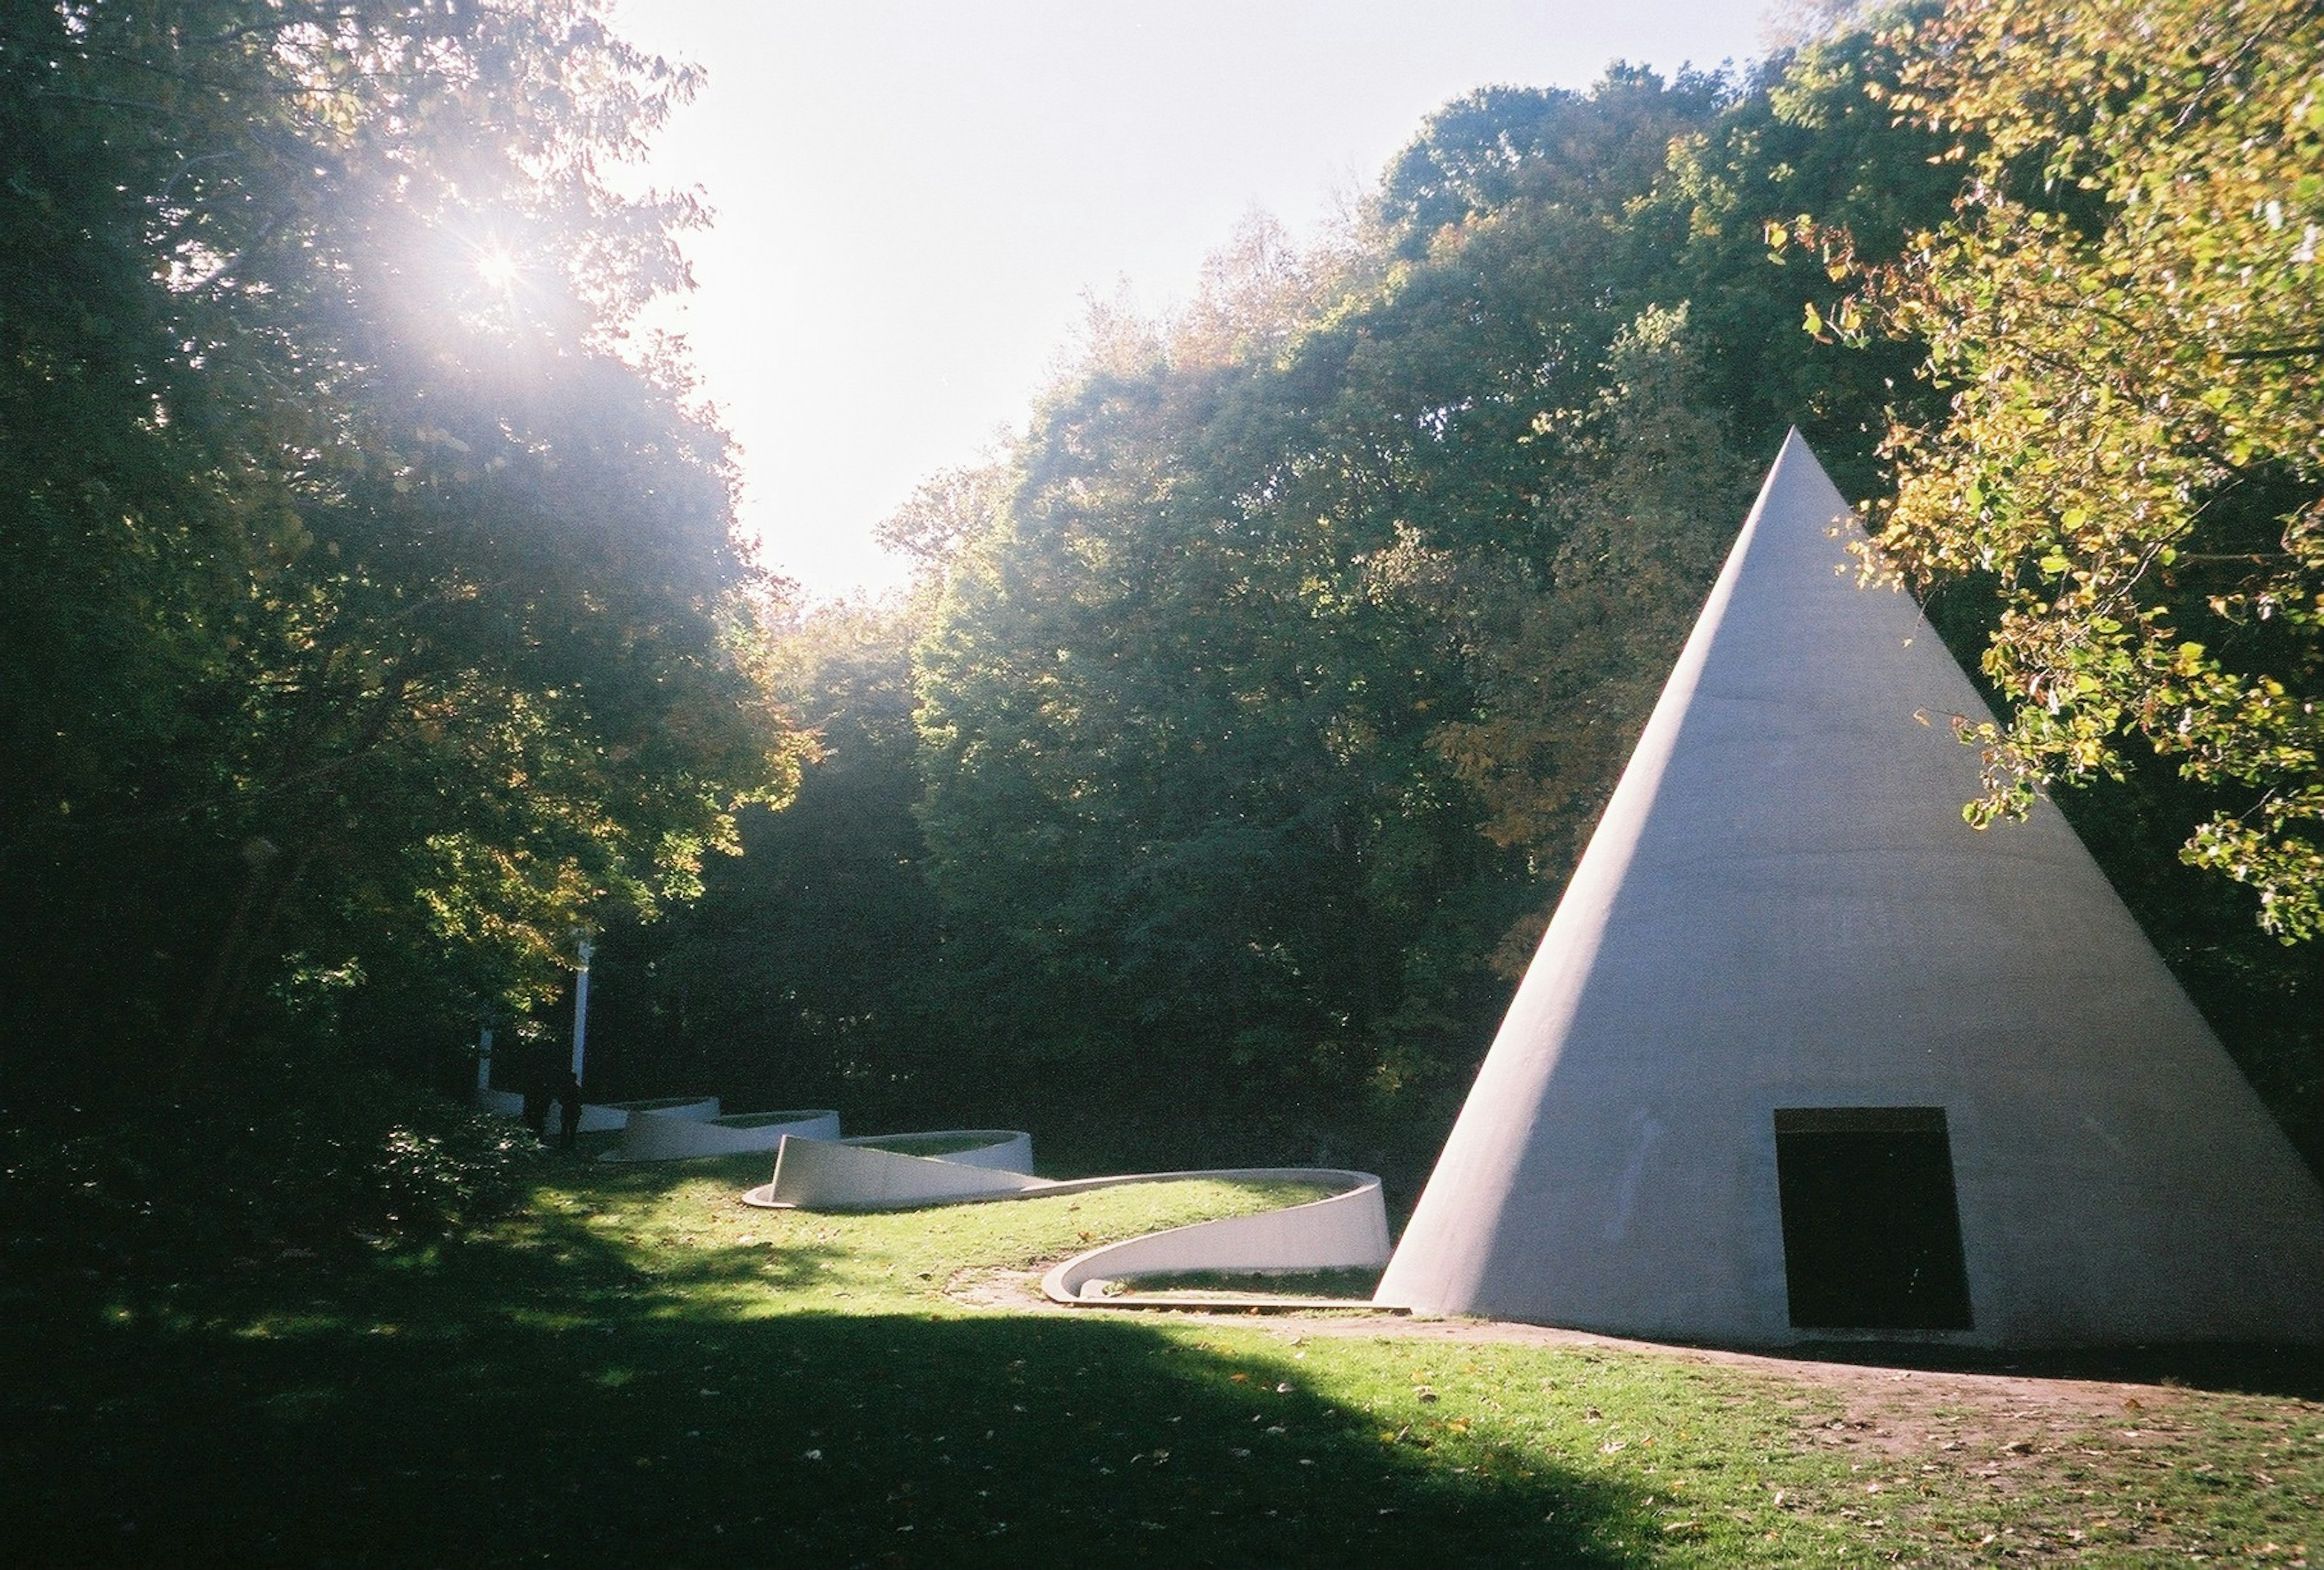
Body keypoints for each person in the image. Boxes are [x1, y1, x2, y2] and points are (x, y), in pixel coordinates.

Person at [556, 1069, 584, 1152]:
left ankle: (563, 1145)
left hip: (567, 1110)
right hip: (575, 1111)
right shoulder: (577, 1089)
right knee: (573, 1129)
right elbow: (581, 1100)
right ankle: (571, 1145)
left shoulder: (565, 1089)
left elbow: (560, 1100)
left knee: (564, 1128)